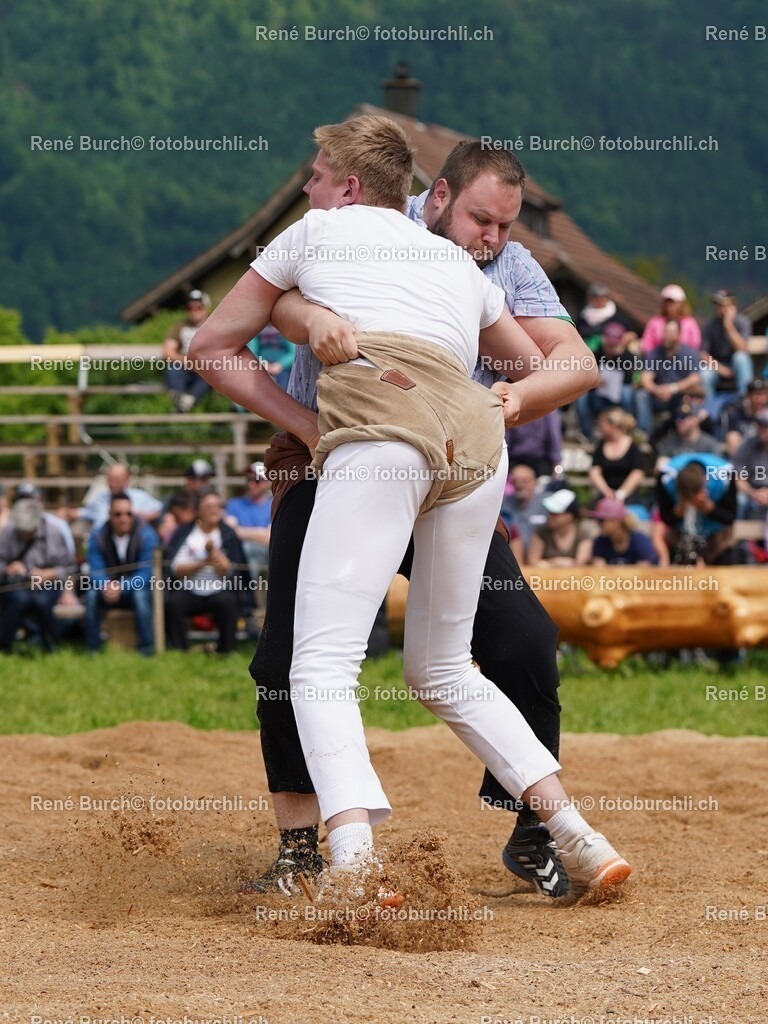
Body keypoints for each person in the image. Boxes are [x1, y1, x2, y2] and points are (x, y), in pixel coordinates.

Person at [190, 117, 630, 898]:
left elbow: (210, 347)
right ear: (428, 193)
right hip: (473, 439)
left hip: (377, 436)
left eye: (316, 175)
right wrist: (504, 400)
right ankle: (578, 837)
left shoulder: (318, 230)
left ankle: (354, 867)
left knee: (320, 664)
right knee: (443, 669)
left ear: (349, 186)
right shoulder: (461, 268)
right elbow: (531, 367)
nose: (306, 187)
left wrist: (309, 417)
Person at [164, 490, 250, 654]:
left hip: (219, 589)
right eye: (209, 507)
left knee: (229, 602)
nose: (214, 510)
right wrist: (202, 563)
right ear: (198, 511)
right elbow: (175, 569)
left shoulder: (228, 534)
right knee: (173, 604)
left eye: (217, 506)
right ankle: (180, 650)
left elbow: (234, 572)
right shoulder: (185, 532)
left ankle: (225, 651)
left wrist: (220, 562)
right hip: (190, 589)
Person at [84, 492, 158, 656]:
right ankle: (93, 650)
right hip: (107, 589)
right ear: (110, 514)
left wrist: (122, 587)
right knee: (91, 595)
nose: (123, 519)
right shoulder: (98, 536)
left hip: (135, 588)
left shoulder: (146, 535)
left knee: (141, 596)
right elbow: (95, 569)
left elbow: (146, 573)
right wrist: (106, 585)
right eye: (118, 514)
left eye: (128, 514)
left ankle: (147, 649)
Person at [0, 498, 77, 652]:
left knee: (41, 601)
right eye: (22, 532)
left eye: (29, 531)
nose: (25, 535)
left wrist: (49, 574)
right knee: (19, 599)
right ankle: (4, 644)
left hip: (49, 584)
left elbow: (70, 568)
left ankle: (49, 644)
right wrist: (8, 568)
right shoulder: (8, 532)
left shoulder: (54, 533)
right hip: (17, 584)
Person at [656, 454, 741, 565]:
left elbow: (730, 517)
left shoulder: (724, 475)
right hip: (681, 534)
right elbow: (666, 517)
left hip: (717, 534)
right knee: (680, 557)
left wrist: (708, 507)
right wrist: (679, 511)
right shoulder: (666, 477)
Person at [575, 321, 642, 440]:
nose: (611, 348)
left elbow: (630, 380)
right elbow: (586, 372)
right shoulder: (598, 353)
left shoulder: (628, 356)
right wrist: (596, 380)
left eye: (614, 345)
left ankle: (627, 432)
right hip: (599, 394)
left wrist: (617, 356)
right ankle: (588, 434)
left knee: (627, 392)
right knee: (581, 397)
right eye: (609, 345)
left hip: (619, 396)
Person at [636, 319, 703, 437]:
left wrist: (673, 389)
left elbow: (695, 378)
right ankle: (644, 435)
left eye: (671, 333)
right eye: (665, 332)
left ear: (679, 334)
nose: (667, 336)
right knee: (641, 395)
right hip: (659, 396)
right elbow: (645, 378)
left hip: (681, 395)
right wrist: (657, 390)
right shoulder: (655, 353)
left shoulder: (689, 353)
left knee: (693, 399)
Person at [700, 290, 754, 404]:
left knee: (740, 358)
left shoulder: (742, 321)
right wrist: (722, 370)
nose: (720, 308)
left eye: (723, 304)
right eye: (718, 304)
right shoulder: (709, 325)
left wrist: (728, 325)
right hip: (717, 367)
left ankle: (744, 402)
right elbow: (703, 354)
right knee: (704, 373)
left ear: (733, 306)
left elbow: (742, 348)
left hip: (737, 365)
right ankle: (710, 408)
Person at [163, 290, 213, 412]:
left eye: (198, 307)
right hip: (183, 365)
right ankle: (180, 401)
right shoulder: (179, 326)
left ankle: (184, 404)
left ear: (206, 308)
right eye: (190, 307)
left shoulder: (213, 327)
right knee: (174, 369)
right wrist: (186, 361)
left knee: (212, 373)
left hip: (205, 366)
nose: (194, 310)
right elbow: (168, 350)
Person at [80, 464, 163, 532]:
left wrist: (142, 517)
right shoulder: (100, 498)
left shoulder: (140, 497)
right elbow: (85, 512)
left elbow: (161, 510)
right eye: (110, 479)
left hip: (132, 542)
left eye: (117, 480)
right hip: (101, 542)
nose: (112, 483)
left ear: (127, 479)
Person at [588, 409, 646, 505]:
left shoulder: (632, 446)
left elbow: (637, 472)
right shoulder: (601, 445)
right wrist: (607, 492)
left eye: (603, 425)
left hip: (628, 497)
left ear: (614, 426)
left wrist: (621, 494)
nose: (600, 428)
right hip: (605, 496)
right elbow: (595, 471)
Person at [224, 462, 272, 580]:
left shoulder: (274, 506)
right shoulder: (234, 504)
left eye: (256, 480)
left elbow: (269, 538)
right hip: (241, 557)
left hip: (265, 557)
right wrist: (259, 532)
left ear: (266, 483)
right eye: (248, 480)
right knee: (246, 548)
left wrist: (241, 531)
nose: (251, 484)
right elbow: (229, 532)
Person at [528, 490, 593, 567]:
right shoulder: (541, 533)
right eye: (549, 512)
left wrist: (546, 564)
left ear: (569, 516)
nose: (549, 516)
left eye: (555, 514)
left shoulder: (583, 535)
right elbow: (533, 562)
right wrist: (555, 562)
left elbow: (580, 565)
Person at [589, 498, 659, 566]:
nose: (598, 524)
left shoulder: (640, 541)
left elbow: (644, 569)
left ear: (617, 521)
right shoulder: (600, 542)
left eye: (601, 520)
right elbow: (599, 569)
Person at [500, 462, 548, 555]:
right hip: (512, 555)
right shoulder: (504, 504)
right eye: (515, 481)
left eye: (524, 481)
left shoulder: (547, 503)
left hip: (540, 557)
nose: (519, 485)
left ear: (534, 481)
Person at [655, 399, 721, 465]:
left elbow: (717, 467)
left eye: (684, 417)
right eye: (678, 416)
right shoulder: (667, 443)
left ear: (697, 419)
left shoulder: (710, 444)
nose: (680, 421)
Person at [640, 284, 701, 354]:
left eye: (673, 302)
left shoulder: (690, 323)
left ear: (681, 304)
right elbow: (647, 343)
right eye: (667, 302)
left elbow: (695, 344)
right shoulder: (655, 322)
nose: (670, 305)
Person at [504, 411, 563, 479]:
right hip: (515, 459)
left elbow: (554, 437)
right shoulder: (513, 410)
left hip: (539, 459)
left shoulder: (549, 412)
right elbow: (506, 439)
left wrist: (556, 464)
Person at [732, 409, 768, 519]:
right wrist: (753, 493)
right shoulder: (748, 445)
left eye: (765, 426)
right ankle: (737, 530)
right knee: (739, 499)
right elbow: (738, 477)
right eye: (759, 425)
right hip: (752, 492)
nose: (761, 429)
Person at [576, 283, 633, 352]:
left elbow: (631, 332)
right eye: (596, 298)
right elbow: (580, 331)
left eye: (603, 298)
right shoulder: (584, 316)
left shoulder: (616, 315)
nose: (600, 301)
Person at [724, 378, 768, 457]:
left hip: (764, 455)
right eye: (757, 394)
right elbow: (731, 439)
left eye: (764, 395)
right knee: (733, 437)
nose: (761, 399)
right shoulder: (736, 413)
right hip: (744, 455)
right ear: (748, 395)